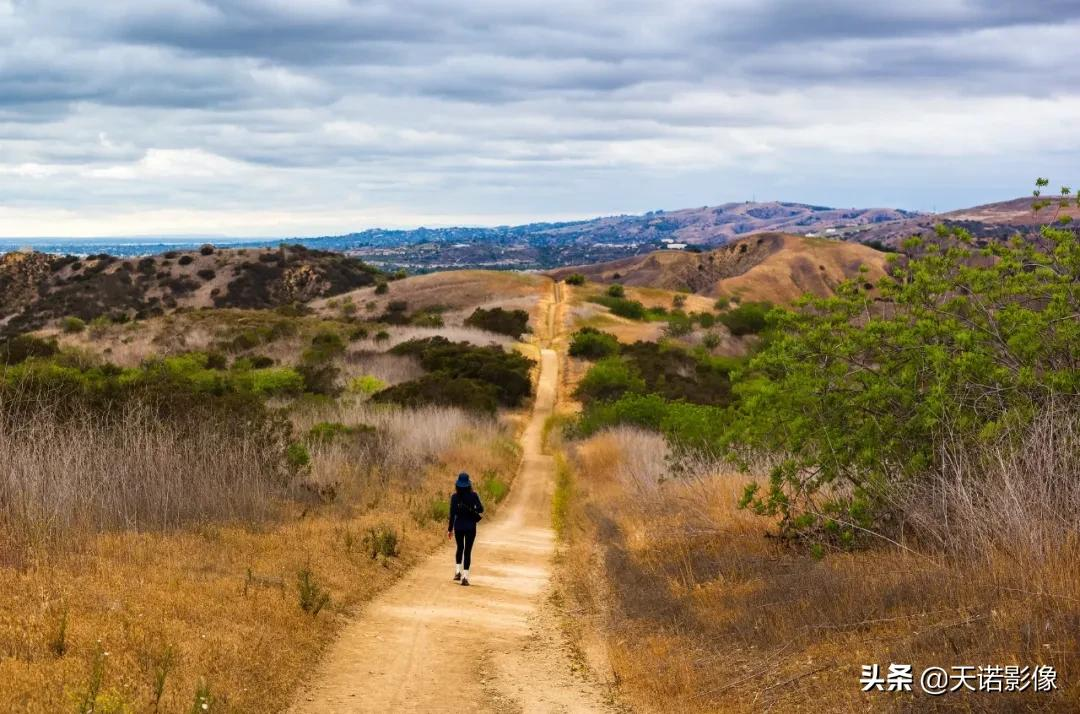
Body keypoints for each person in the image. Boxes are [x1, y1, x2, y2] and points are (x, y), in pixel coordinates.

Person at [447, 472, 484, 586]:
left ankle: (457, 572)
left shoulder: (454, 497)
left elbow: (452, 515)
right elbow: (481, 509)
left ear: (457, 485)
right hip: (470, 527)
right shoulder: (474, 495)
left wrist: (450, 530)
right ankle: (465, 578)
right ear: (469, 484)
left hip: (458, 526)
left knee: (460, 548)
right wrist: (473, 508)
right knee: (467, 551)